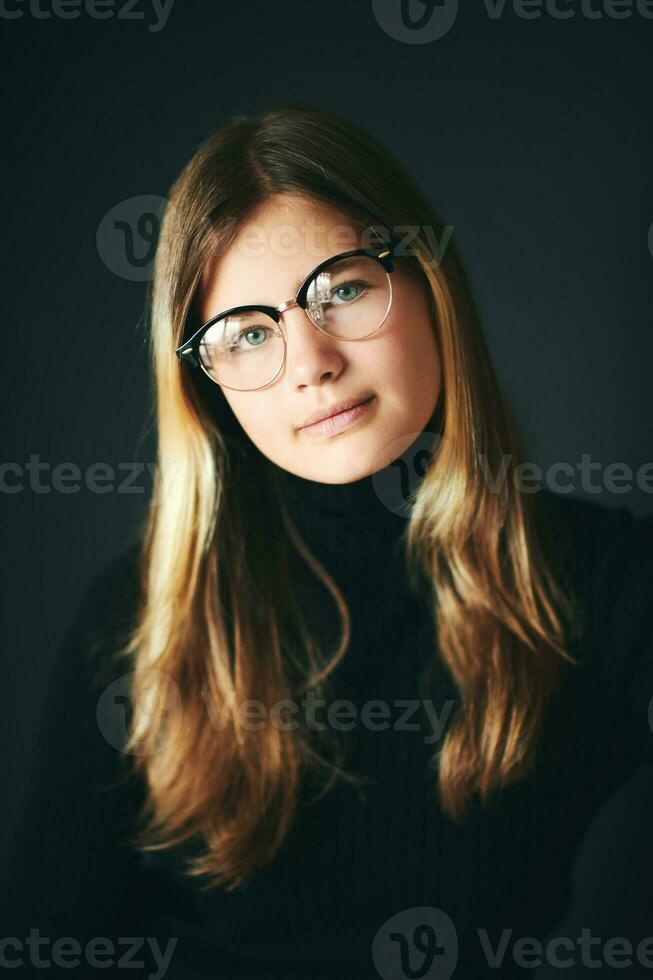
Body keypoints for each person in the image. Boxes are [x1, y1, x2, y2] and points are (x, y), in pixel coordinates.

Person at [3, 101, 653, 980]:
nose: (309, 361)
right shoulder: (136, 622)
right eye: (247, 335)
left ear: (427, 280)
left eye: (342, 288)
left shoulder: (596, 586)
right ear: (208, 386)